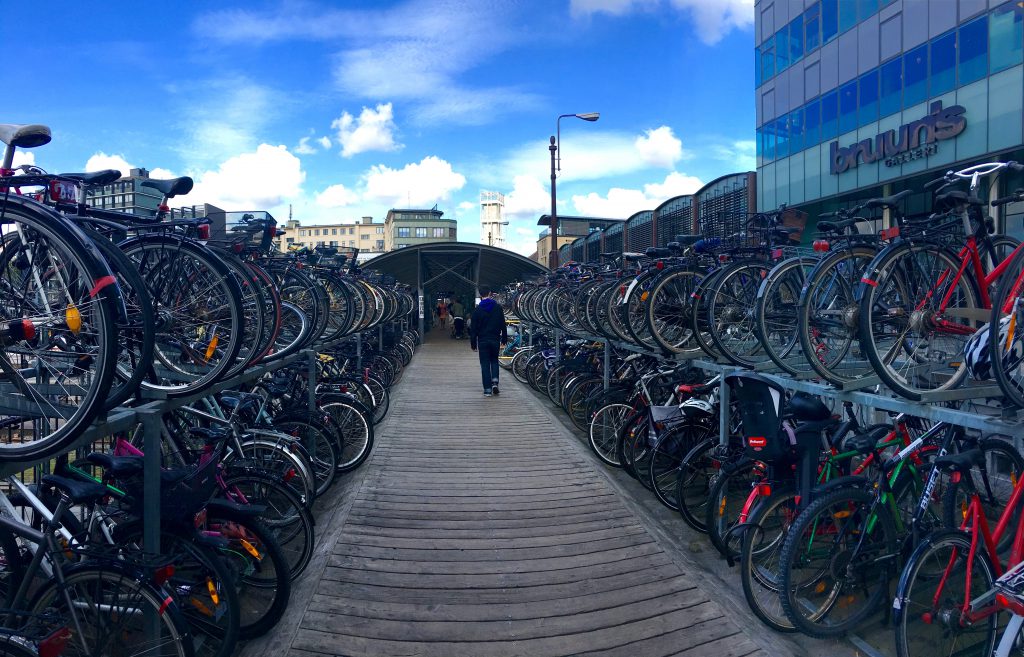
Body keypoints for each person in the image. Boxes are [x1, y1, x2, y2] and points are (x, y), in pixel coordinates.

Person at [469, 286, 508, 397]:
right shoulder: (498, 307)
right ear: (490, 293)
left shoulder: (477, 310)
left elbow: (473, 328)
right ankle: (495, 382)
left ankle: (487, 390)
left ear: (481, 295)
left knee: (485, 364)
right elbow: (502, 323)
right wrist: (504, 338)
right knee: (494, 361)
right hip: (495, 339)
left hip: (483, 340)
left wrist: (473, 343)